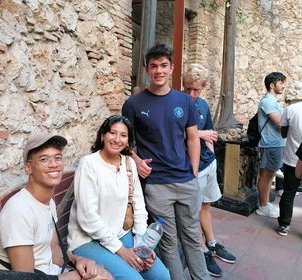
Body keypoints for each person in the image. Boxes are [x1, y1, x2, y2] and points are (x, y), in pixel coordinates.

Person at [122, 43, 209, 280]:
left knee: (192, 236)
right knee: (168, 241)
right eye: (153, 66)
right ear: (147, 70)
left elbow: (192, 138)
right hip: (157, 184)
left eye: (163, 65)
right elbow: (126, 143)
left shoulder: (185, 101)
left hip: (186, 181)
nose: (158, 71)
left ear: (171, 68)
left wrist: (192, 172)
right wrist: (137, 160)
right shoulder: (133, 104)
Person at [0, 133, 112, 280]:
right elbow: (25, 278)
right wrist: (78, 277)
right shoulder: (19, 211)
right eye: (44, 159)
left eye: (58, 158)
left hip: (51, 272)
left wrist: (77, 260)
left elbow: (54, 250)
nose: (54, 164)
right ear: (29, 168)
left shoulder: (48, 202)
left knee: (103, 273)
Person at [67, 115, 170, 280]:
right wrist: (122, 251)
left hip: (121, 235)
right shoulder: (89, 164)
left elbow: (139, 207)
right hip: (88, 240)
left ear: (128, 141)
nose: (117, 139)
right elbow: (88, 218)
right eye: (112, 133)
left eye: (123, 135)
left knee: (161, 275)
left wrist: (142, 246)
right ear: (103, 136)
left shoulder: (129, 163)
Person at [183, 63, 236, 277]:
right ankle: (201, 250)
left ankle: (211, 243)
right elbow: (175, 136)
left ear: (203, 87)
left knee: (206, 206)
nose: (191, 94)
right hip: (191, 169)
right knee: (192, 212)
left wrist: (211, 151)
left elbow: (210, 132)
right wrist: (200, 135)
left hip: (208, 164)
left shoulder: (203, 105)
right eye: (187, 88)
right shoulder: (177, 103)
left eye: (196, 89)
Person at [255, 72, 286, 218]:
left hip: (276, 143)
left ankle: (265, 203)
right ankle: (262, 206)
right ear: (272, 85)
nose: (284, 86)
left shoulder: (274, 101)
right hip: (270, 144)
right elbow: (280, 123)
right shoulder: (268, 101)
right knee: (267, 175)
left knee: (270, 174)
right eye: (281, 83)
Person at [277, 101, 302, 236]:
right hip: (294, 159)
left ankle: (284, 225)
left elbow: (283, 134)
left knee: (289, 192)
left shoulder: (291, 109)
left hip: (292, 158)